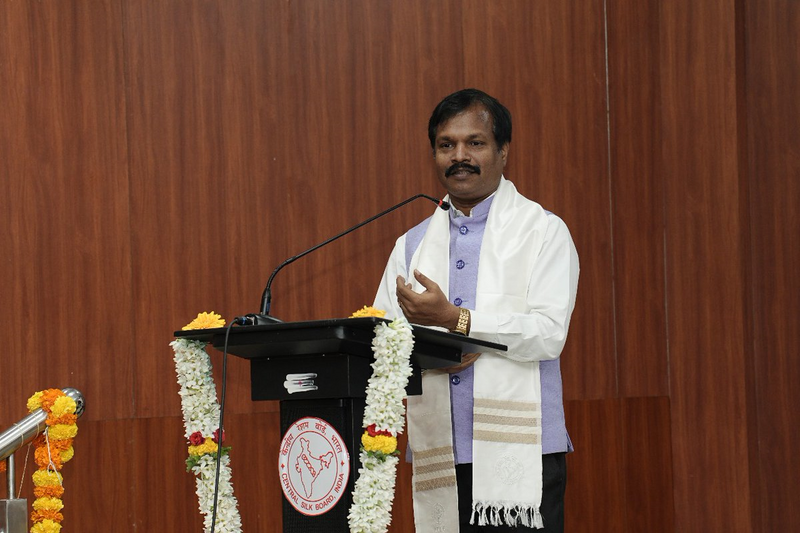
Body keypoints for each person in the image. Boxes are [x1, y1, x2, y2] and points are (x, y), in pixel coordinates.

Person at [373, 89, 579, 532]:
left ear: (503, 151)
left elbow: (548, 334)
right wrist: (428, 356)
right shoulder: (411, 245)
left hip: (525, 451)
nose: (459, 156)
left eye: (475, 143)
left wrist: (456, 321)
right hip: (440, 451)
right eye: (446, 145)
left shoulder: (543, 232)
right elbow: (382, 346)